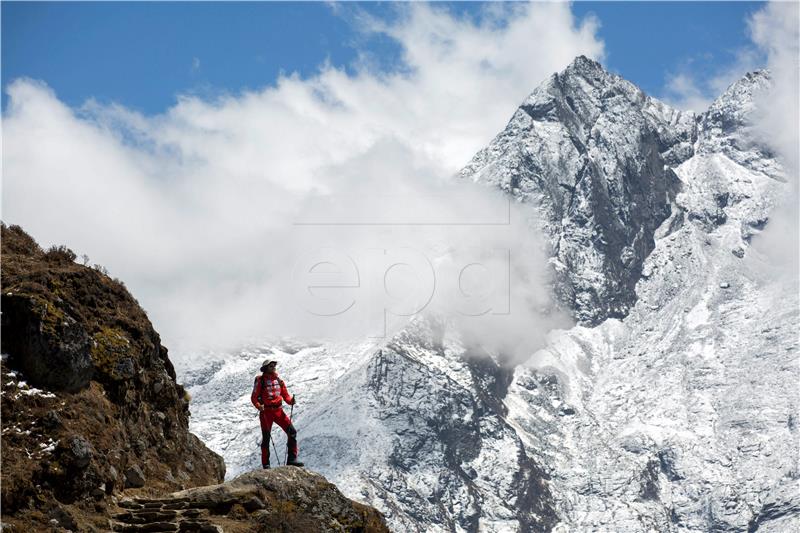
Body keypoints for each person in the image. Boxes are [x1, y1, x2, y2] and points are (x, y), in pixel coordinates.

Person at [251, 360, 304, 468]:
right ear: (266, 368)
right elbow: (254, 397)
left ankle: (292, 459)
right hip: (266, 412)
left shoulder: (279, 381)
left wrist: (290, 401)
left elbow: (286, 396)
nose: (274, 367)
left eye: (274, 365)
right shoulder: (260, 380)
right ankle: (266, 464)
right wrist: (258, 406)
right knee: (266, 438)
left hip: (278, 411)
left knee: (292, 432)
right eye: (271, 366)